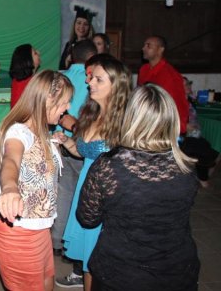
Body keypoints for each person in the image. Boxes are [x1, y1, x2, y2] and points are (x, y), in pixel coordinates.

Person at [77, 84, 199, 291]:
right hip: (177, 271)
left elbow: (87, 219)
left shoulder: (108, 166)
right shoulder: (186, 166)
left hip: (120, 272)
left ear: (130, 118)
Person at [0, 70, 73, 291]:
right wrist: (9, 188)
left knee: (46, 283)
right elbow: (11, 160)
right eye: (65, 102)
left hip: (38, 228)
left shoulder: (40, 130)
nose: (68, 107)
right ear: (47, 100)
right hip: (18, 233)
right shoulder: (18, 132)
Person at [53, 55, 132, 290]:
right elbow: (84, 153)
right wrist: (67, 142)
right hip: (86, 191)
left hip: (109, 196)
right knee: (89, 260)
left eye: (98, 79)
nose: (90, 83)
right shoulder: (92, 113)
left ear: (116, 85)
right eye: (91, 78)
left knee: (104, 261)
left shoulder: (125, 121)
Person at [51, 39, 96, 285]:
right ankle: (77, 260)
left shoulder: (61, 78)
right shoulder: (92, 86)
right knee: (77, 203)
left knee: (67, 199)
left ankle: (62, 245)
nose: (91, 83)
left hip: (71, 148)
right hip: (75, 149)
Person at [138, 35, 189, 135]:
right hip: (146, 121)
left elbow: (178, 104)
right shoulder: (144, 69)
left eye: (148, 46)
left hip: (163, 125)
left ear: (160, 50)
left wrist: (179, 126)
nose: (143, 48)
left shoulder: (170, 75)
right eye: (144, 45)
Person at [60, 6, 96, 70]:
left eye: (85, 24)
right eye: (79, 23)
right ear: (74, 24)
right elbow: (61, 68)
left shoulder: (92, 45)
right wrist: (67, 62)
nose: (81, 27)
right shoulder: (69, 45)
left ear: (89, 27)